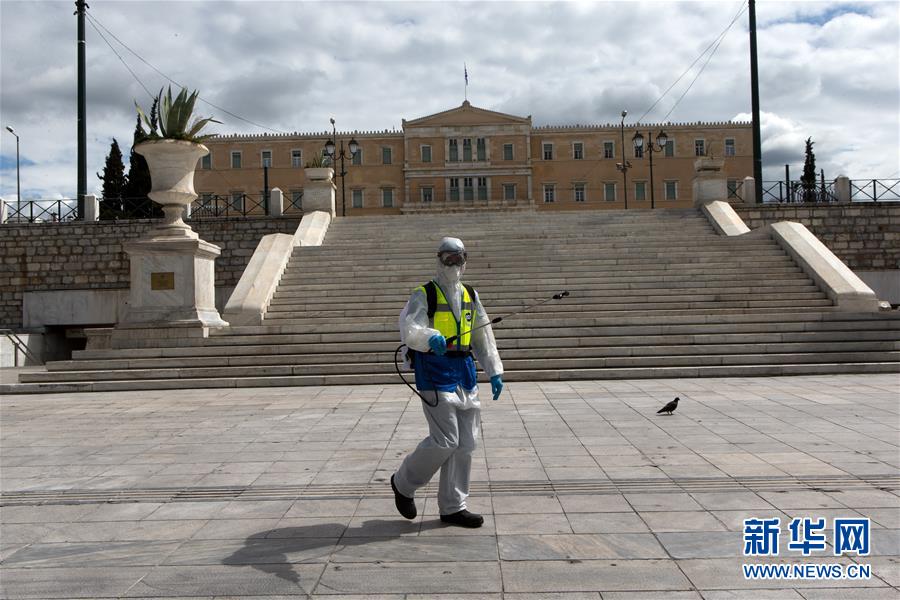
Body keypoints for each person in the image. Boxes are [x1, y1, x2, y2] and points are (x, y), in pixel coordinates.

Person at [391, 237, 504, 528]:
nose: (454, 263)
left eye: (459, 257)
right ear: (438, 259)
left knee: (466, 443)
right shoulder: (424, 293)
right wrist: (429, 337)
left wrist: (494, 369)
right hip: (434, 369)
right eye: (448, 257)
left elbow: (482, 335)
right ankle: (403, 483)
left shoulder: (470, 294)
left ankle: (453, 506)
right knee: (445, 440)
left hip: (464, 370)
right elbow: (410, 326)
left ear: (465, 259)